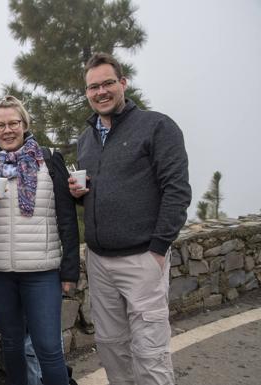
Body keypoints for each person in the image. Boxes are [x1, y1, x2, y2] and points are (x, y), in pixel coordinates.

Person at [69, 52, 191, 385]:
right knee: (111, 349)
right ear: (87, 93)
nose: (101, 92)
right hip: (99, 261)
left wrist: (158, 248)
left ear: (123, 83)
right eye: (93, 87)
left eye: (108, 83)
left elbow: (177, 191)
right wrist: (79, 196)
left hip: (142, 259)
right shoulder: (86, 138)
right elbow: (103, 196)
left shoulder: (157, 126)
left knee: (150, 354)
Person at [0, 95, 80, 385]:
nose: (7, 130)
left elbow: (66, 218)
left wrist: (70, 270)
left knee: (48, 348)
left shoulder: (49, 159)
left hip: (42, 272)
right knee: (12, 344)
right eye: (0, 125)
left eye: (13, 123)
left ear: (24, 124)